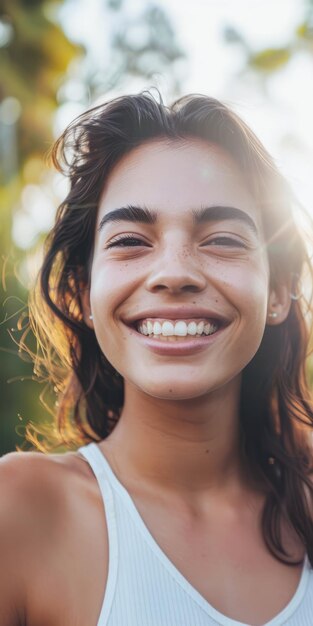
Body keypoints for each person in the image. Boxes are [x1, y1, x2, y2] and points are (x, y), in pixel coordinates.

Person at [1, 90, 313, 626]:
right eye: (129, 240)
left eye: (221, 239)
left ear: (279, 290)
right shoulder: (20, 510)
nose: (174, 272)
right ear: (82, 291)